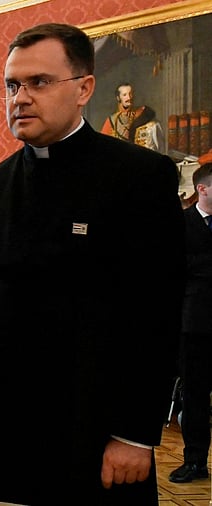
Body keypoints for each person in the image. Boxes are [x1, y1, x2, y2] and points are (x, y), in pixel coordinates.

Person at [0, 23, 184, 505]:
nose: (19, 97)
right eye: (11, 85)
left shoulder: (140, 177)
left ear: (84, 88)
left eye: (38, 82)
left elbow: (157, 315)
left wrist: (135, 433)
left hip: (97, 425)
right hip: (9, 420)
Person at [169, 163, 212, 483]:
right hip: (194, 323)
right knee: (194, 396)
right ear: (203, 189)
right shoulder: (181, 225)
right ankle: (195, 461)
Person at [101, 82, 166, 153]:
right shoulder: (111, 121)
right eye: (124, 95)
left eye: (130, 94)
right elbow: (103, 146)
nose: (129, 97)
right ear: (118, 98)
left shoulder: (145, 115)